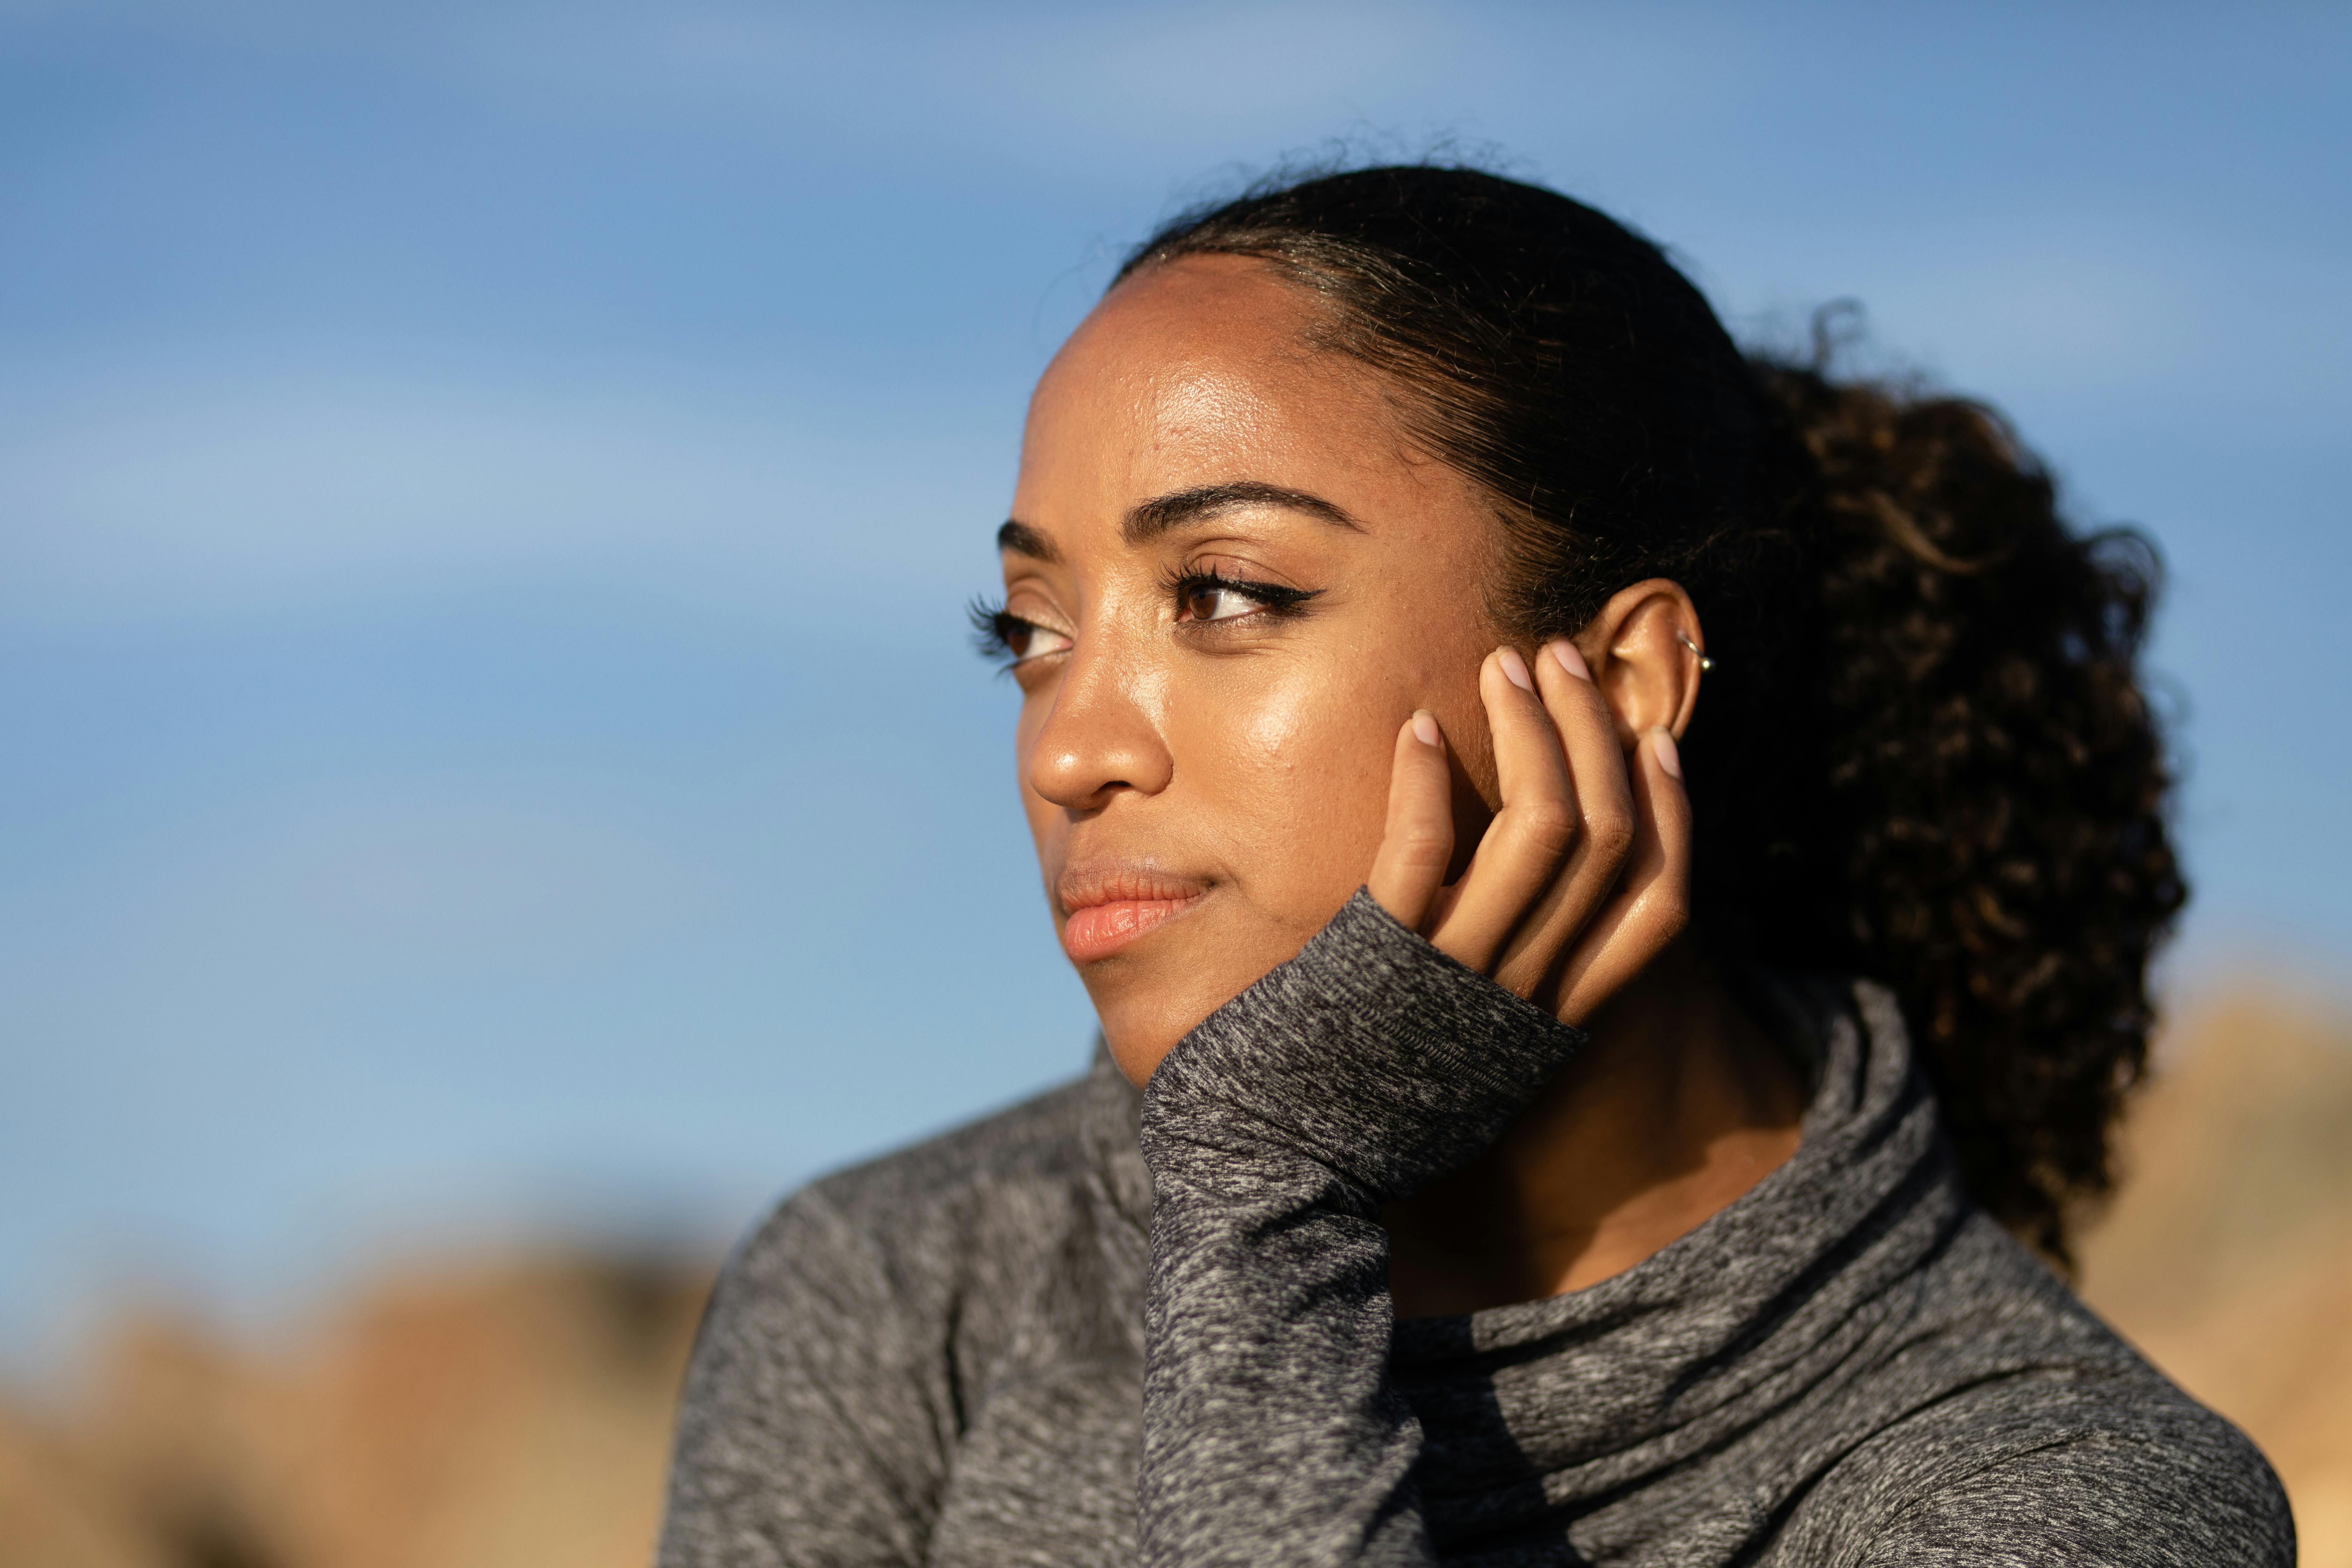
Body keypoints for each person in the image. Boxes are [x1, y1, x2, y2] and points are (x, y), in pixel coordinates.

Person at [656, 165, 2293, 1566]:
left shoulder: (2055, 1494)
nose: (1069, 747)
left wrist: (1263, 1201)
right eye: (1028, 629)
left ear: (1628, 682)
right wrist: (1261, 1189)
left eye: (1224, 592)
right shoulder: (896, 1289)